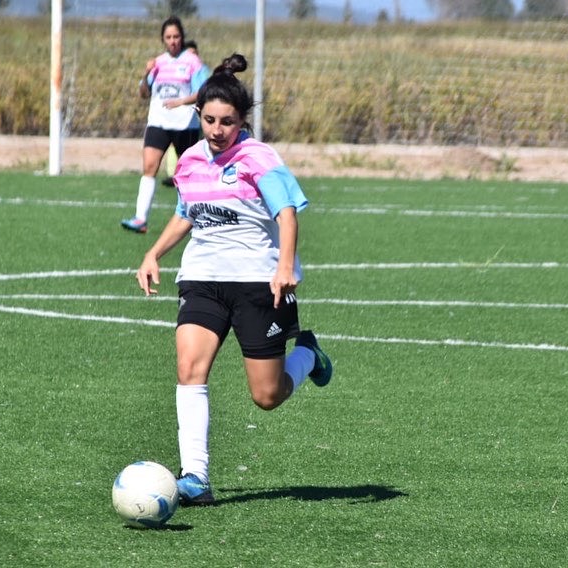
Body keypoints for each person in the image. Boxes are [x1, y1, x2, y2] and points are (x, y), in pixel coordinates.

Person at [134, 53, 333, 506]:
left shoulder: (259, 157)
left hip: (259, 284)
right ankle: (196, 477)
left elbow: (286, 213)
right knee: (189, 368)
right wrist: (153, 252)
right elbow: (186, 214)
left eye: (226, 121)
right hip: (203, 278)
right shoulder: (189, 160)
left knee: (267, 395)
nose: (216, 130)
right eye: (208, 120)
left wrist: (285, 266)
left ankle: (308, 355)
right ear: (199, 116)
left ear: (241, 120)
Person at [122, 17, 210, 234]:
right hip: (158, 122)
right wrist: (146, 73)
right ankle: (141, 219)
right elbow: (144, 93)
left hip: (185, 125)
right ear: (163, 39)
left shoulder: (192, 61)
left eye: (176, 37)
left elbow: (204, 92)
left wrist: (181, 102)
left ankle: (193, 218)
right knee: (149, 167)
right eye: (169, 37)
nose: (173, 41)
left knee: (188, 173)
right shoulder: (158, 63)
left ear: (182, 37)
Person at [162, 40, 209, 188]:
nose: (192, 57)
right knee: (174, 145)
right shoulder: (173, 68)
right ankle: (174, 174)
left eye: (194, 53)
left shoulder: (202, 70)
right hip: (178, 116)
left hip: (197, 115)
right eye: (189, 54)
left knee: (199, 145)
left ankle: (198, 175)